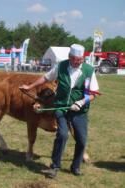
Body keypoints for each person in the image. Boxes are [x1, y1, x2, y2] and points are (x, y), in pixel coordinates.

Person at [19, 44, 99, 178]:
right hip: (61, 107)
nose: (77, 62)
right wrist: (30, 86)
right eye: (74, 59)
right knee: (62, 135)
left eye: (80, 60)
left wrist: (81, 102)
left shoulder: (89, 70)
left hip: (79, 111)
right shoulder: (61, 66)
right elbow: (46, 78)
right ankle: (55, 167)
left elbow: (94, 93)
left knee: (82, 140)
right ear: (69, 57)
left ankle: (76, 166)